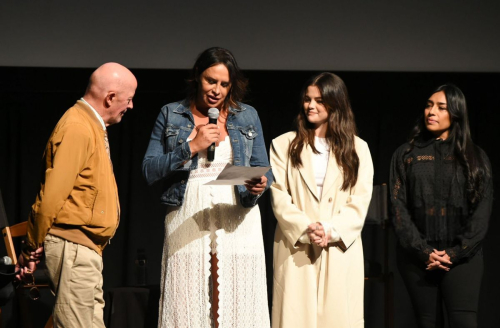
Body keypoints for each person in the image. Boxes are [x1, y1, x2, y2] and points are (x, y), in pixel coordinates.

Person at [142, 47, 272, 328]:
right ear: (197, 78)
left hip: (237, 215)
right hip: (187, 211)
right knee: (188, 298)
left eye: (224, 84)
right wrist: (191, 146)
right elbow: (149, 170)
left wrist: (258, 184)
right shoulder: (172, 114)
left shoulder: (247, 116)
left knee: (237, 301)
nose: (217, 90)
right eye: (210, 81)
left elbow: (264, 169)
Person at [15, 62, 137, 328]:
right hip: (74, 248)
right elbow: (51, 197)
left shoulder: (90, 125)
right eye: (128, 99)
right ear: (110, 97)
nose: (130, 106)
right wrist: (31, 245)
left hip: (86, 249)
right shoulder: (78, 127)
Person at [270, 72, 374, 328]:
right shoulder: (283, 144)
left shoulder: (358, 149)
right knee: (294, 318)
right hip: (296, 247)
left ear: (336, 103)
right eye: (307, 99)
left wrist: (330, 230)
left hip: (338, 247)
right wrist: (307, 229)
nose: (311, 105)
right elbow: (279, 196)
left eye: (319, 100)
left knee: (338, 319)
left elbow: (360, 200)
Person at [390, 84, 493, 328]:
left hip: (462, 258)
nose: (431, 111)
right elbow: (397, 208)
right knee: (426, 322)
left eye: (440, 107)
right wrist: (422, 250)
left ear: (456, 113)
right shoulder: (407, 154)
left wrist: (456, 252)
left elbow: (482, 211)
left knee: (464, 321)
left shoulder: (475, 157)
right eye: (428, 105)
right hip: (417, 258)